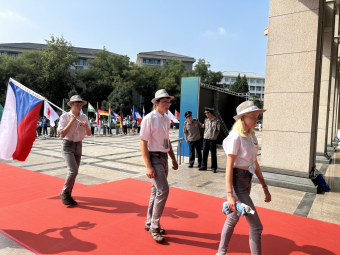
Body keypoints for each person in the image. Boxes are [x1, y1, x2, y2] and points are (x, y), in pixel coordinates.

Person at [216, 101, 271, 255]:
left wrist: (264, 187)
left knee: (232, 219)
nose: (256, 120)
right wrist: (230, 195)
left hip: (247, 180)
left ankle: (221, 252)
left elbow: (255, 163)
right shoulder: (235, 137)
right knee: (256, 226)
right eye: (253, 117)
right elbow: (229, 167)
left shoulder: (252, 137)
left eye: (257, 116)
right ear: (243, 118)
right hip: (237, 183)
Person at [140, 89, 178, 243]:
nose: (167, 104)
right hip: (154, 157)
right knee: (163, 190)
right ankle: (155, 226)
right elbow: (143, 142)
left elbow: (166, 140)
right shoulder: (149, 119)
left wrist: (173, 158)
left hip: (163, 157)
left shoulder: (165, 118)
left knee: (156, 191)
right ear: (156, 103)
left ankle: (149, 222)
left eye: (169, 102)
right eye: (164, 102)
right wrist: (148, 166)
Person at [57, 95, 91, 206]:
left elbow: (89, 133)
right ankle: (64, 192)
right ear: (71, 104)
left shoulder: (84, 117)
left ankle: (68, 195)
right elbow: (62, 134)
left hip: (79, 145)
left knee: (74, 173)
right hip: (68, 145)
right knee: (73, 171)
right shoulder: (65, 116)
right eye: (77, 104)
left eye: (81, 104)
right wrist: (71, 121)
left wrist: (86, 127)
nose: (80, 106)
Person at [199, 107, 220, 173]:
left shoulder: (217, 120)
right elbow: (204, 127)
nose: (205, 114)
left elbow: (218, 130)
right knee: (205, 152)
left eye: (206, 113)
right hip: (206, 138)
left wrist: (214, 136)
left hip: (212, 139)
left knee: (213, 154)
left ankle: (214, 167)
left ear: (209, 113)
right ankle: (203, 166)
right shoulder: (206, 120)